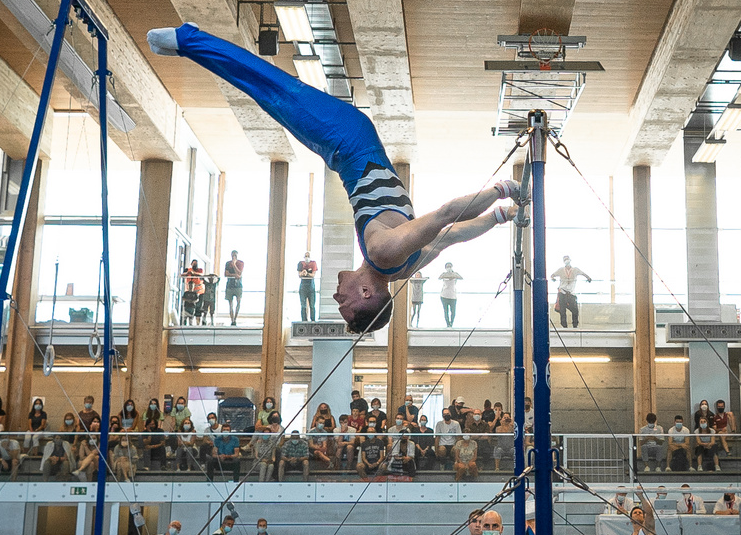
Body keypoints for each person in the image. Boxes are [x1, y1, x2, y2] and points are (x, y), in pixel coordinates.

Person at [150, 24, 519, 333]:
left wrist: (501, 216)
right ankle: (189, 40)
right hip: (348, 140)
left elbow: (454, 236)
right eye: (344, 303)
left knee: (270, 96)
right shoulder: (384, 253)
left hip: (342, 150)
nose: (336, 297)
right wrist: (501, 189)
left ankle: (193, 45)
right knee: (274, 91)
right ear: (365, 294)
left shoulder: (405, 266)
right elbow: (444, 216)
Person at [550, 256, 592, 329]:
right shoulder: (561, 270)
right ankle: (564, 326)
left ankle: (575, 325)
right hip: (562, 292)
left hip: (571, 293)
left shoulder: (575, 269)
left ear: (570, 260)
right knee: (562, 311)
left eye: (567, 259)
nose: (566, 261)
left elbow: (583, 274)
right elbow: (552, 275)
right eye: (565, 260)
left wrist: (588, 278)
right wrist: (553, 278)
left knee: (575, 310)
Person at [222, 250, 245, 326]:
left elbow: (239, 273)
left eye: (235, 255)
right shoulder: (228, 263)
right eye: (233, 255)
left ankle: (235, 318)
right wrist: (234, 275)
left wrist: (234, 265)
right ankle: (232, 319)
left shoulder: (240, 263)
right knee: (230, 303)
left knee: (238, 301)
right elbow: (226, 274)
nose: (234, 256)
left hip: (238, 285)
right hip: (230, 285)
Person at [440, 262, 464, 328]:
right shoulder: (444, 274)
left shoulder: (455, 274)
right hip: (444, 295)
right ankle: (448, 324)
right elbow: (440, 277)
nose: (449, 268)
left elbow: (461, 277)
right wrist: (447, 275)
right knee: (446, 311)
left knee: (453, 312)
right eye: (447, 266)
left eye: (450, 266)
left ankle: (452, 323)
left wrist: (452, 275)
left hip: (453, 296)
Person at [180, 259, 204, 325]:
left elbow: (201, 275)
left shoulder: (200, 270)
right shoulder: (188, 270)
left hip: (198, 291)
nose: (195, 265)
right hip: (189, 291)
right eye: (194, 264)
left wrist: (194, 273)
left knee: (198, 308)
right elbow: (181, 275)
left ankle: (197, 323)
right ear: (191, 264)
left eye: (196, 264)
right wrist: (188, 273)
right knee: (187, 308)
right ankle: (184, 323)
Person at [296, 253, 317, 322]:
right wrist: (302, 273)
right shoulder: (300, 264)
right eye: (306, 256)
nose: (307, 258)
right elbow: (299, 274)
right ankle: (304, 320)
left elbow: (313, 275)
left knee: (312, 305)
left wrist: (307, 273)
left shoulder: (313, 263)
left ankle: (313, 320)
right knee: (303, 305)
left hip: (311, 286)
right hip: (303, 286)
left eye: (308, 256)